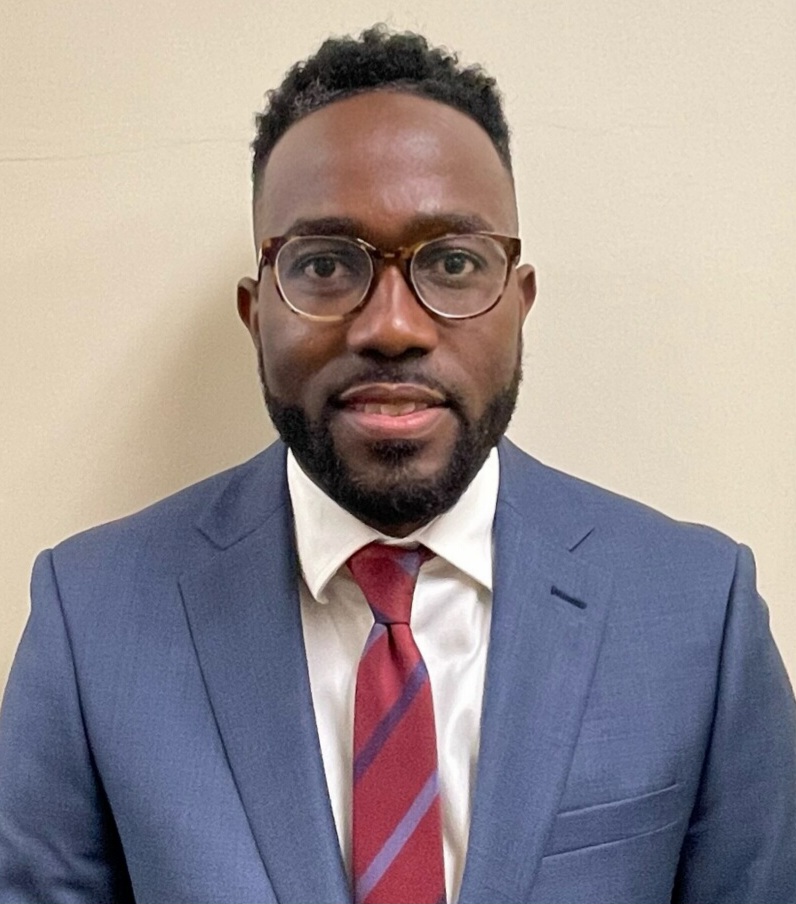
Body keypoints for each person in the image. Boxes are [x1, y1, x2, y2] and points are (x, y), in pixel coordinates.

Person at [0, 25, 794, 904]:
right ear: (256, 315)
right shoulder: (92, 621)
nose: (392, 327)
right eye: (324, 265)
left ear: (519, 304)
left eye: (452, 262)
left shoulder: (697, 612)